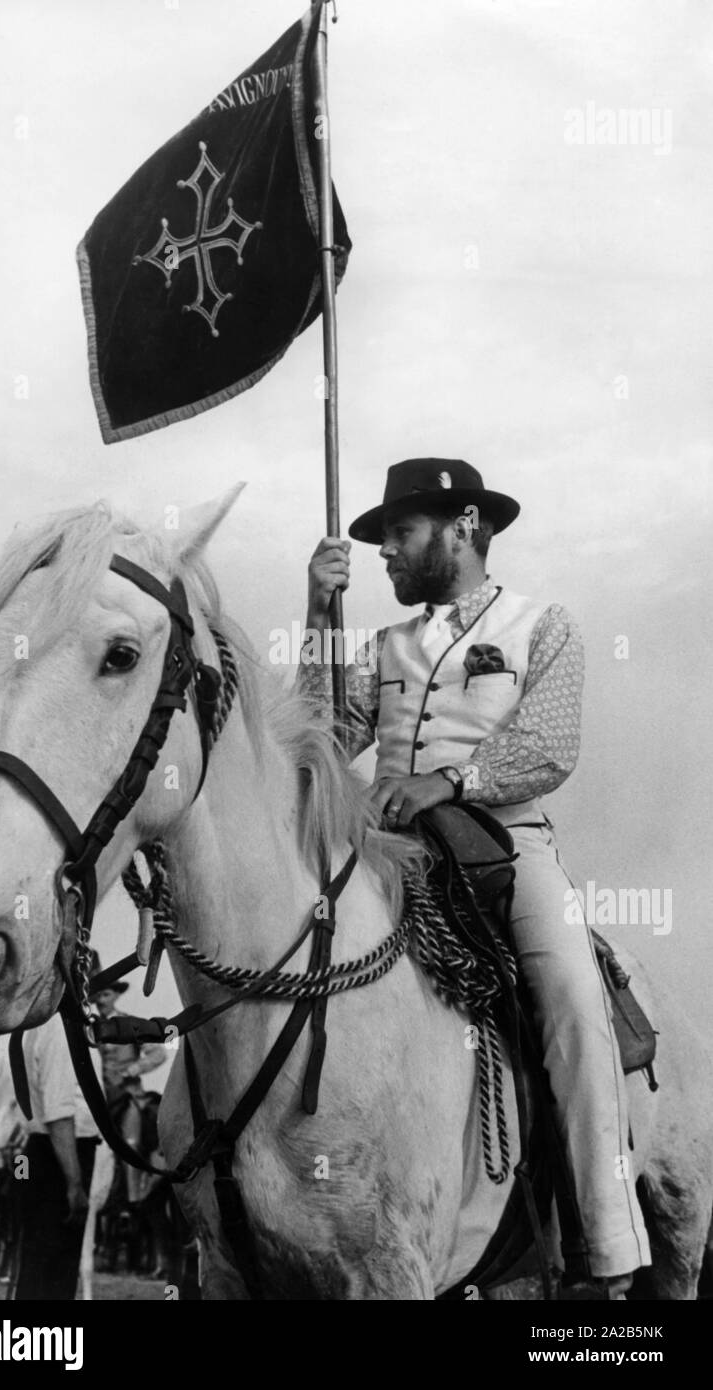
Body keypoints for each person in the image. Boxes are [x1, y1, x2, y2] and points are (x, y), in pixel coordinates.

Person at [299, 456, 650, 1297]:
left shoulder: (542, 624)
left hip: (505, 848)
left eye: (401, 533)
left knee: (570, 1002)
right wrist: (316, 611)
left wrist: (447, 783)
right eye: (380, 538)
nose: (386, 551)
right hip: (391, 852)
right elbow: (307, 739)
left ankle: (602, 1245)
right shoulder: (382, 647)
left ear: (463, 526)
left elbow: (547, 746)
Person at [13, 1008, 102, 1300]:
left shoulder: (40, 1019)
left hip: (50, 1149)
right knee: (55, 1268)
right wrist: (74, 1182)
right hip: (62, 1152)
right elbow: (58, 1110)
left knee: (41, 1262)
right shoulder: (58, 1024)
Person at [91, 980, 167, 1206]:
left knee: (130, 1144)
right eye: (98, 996)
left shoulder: (128, 1023)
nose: (101, 1001)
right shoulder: (89, 1026)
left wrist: (133, 1069)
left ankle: (135, 1200)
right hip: (100, 1101)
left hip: (128, 1097)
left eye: (106, 995)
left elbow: (158, 1053)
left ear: (115, 995)